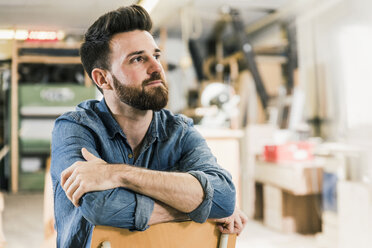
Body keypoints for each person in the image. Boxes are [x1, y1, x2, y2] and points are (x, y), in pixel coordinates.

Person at [51, 4, 247, 248]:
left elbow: (224, 195)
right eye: (137, 59)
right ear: (103, 79)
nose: (156, 68)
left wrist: (116, 174)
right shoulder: (74, 128)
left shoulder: (180, 131)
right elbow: (101, 207)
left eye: (155, 56)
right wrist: (196, 206)